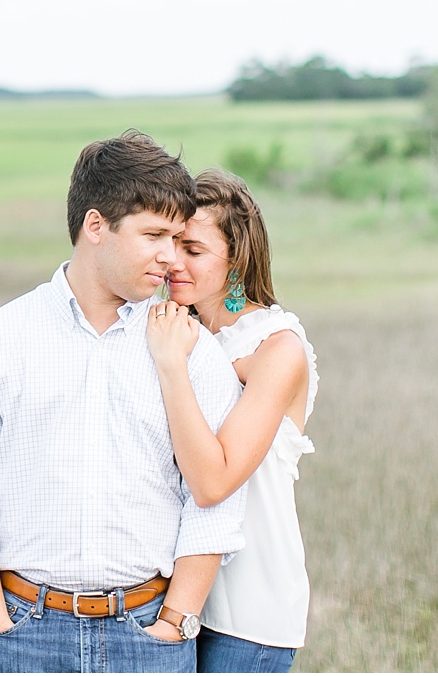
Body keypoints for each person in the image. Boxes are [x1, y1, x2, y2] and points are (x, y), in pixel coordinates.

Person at [0, 131, 249, 673]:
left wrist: (173, 624)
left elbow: (212, 507)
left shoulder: (191, 350)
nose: (170, 257)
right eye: (154, 235)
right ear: (96, 226)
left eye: (178, 239)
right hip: (25, 633)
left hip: (149, 633)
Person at [145, 168, 317, 674]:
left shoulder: (277, 349)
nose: (174, 260)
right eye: (171, 243)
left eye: (193, 249)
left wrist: (173, 366)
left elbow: (213, 481)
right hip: (167, 598)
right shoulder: (177, 331)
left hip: (248, 615)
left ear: (235, 257)